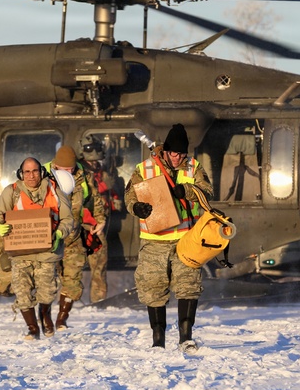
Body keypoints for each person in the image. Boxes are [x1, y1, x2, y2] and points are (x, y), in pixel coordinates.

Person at [124, 123, 213, 352]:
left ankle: (186, 337)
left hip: (186, 239)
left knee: (188, 286)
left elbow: (208, 193)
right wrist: (137, 208)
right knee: (152, 289)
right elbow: (129, 197)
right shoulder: (144, 169)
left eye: (181, 153)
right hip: (154, 240)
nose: (176, 157)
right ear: (165, 150)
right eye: (173, 153)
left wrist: (187, 191)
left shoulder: (193, 167)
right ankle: (158, 339)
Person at [0, 157, 75, 340]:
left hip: (46, 253)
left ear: (41, 172)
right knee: (22, 292)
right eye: (27, 172)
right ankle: (32, 328)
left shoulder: (55, 191)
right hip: (20, 254)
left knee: (46, 293)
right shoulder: (11, 192)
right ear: (21, 174)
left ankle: (45, 315)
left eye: (35, 171)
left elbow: (68, 219)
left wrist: (60, 234)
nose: (31, 175)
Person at [45, 145, 100, 330]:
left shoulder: (83, 176)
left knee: (73, 278)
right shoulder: (42, 175)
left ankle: (61, 319)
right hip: (48, 237)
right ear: (55, 166)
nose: (69, 172)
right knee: (44, 279)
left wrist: (100, 219)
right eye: (64, 170)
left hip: (73, 236)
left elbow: (95, 199)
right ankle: (43, 318)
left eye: (71, 169)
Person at [81, 139, 118, 303]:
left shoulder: (101, 172)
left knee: (99, 267)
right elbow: (84, 194)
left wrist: (113, 200)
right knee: (69, 268)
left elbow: (110, 197)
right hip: (81, 224)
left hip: (98, 225)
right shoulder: (78, 171)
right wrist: (103, 187)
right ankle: (66, 303)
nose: (94, 160)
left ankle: (98, 301)